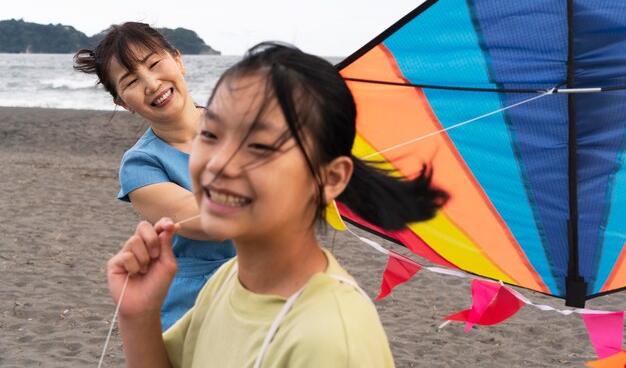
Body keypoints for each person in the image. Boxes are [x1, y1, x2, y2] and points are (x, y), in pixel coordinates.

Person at [107, 42, 448, 367]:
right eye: (211, 135)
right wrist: (137, 314)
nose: (220, 162)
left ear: (329, 179)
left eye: (259, 145)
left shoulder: (330, 338)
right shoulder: (226, 282)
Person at [73, 22, 235, 331]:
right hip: (194, 307)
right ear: (122, 102)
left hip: (270, 284)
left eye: (155, 64)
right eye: (131, 81)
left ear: (178, 60)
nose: (151, 83)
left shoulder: (246, 123)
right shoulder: (141, 164)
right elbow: (211, 221)